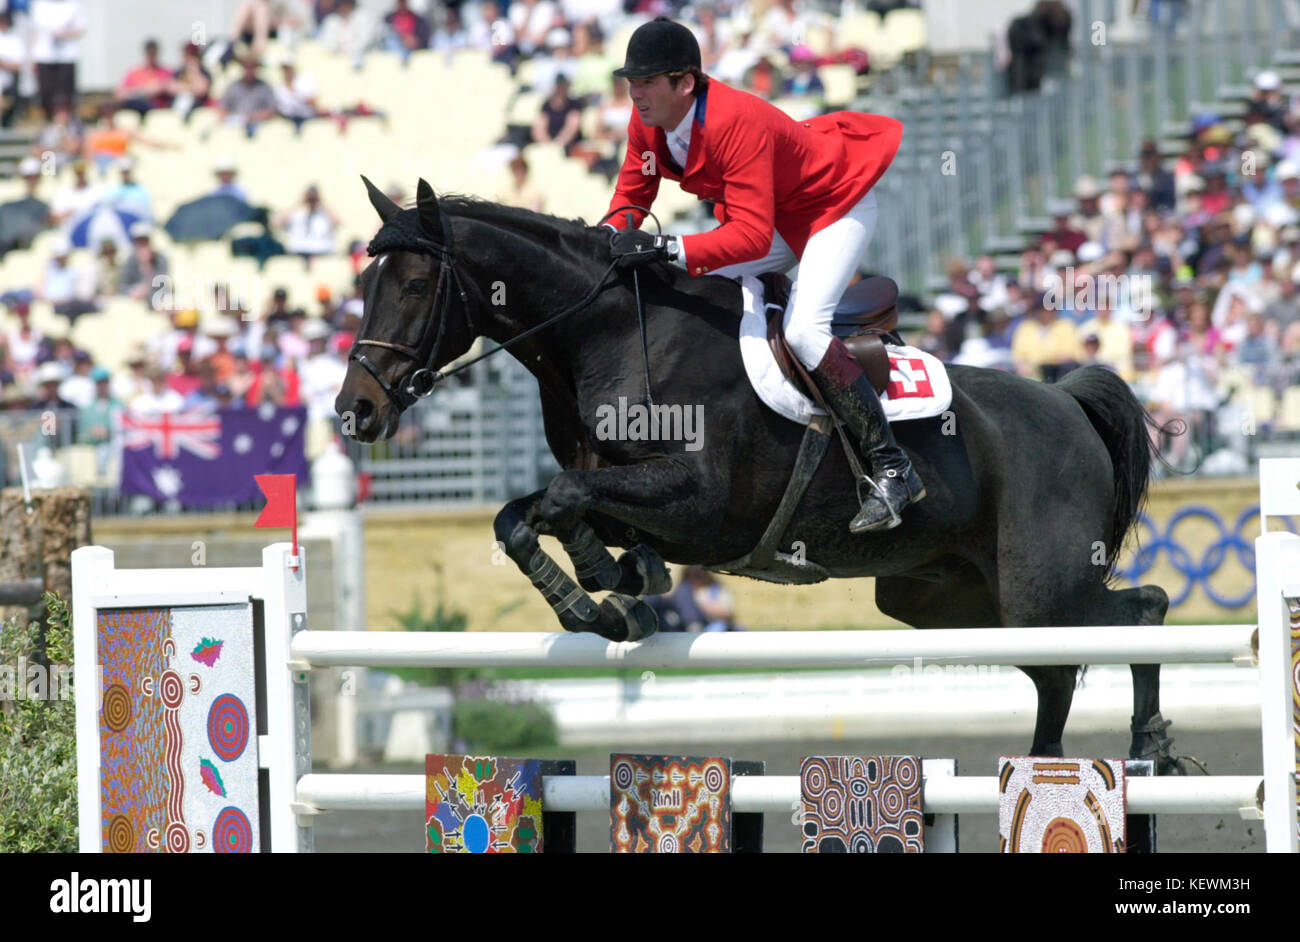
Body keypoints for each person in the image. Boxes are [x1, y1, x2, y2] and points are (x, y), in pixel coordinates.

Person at [603, 18, 913, 532]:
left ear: (684, 82)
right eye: (631, 82)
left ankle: (892, 468)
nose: (634, 94)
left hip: (835, 205)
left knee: (803, 330)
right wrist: (606, 244)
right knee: (683, 282)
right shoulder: (649, 121)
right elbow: (632, 199)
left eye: (646, 82)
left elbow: (747, 237)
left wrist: (664, 245)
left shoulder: (731, 120)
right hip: (776, 216)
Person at [30, 0, 86, 116]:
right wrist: (33, 57)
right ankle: (51, 120)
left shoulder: (73, 5)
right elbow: (35, 31)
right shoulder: (40, 5)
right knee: (46, 92)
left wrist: (64, 33)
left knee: (66, 93)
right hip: (44, 56)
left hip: (66, 56)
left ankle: (66, 121)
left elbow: (81, 28)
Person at [216, 56, 278, 137]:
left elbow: (271, 109)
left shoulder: (265, 87)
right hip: (235, 125)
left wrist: (253, 118)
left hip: (259, 125)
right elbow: (222, 108)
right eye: (247, 67)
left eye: (252, 67)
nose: (249, 70)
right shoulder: (233, 86)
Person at [276, 185, 338, 264]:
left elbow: (337, 223)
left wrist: (322, 204)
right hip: (299, 250)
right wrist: (299, 203)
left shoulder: (324, 214)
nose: (311, 201)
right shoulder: (298, 213)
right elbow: (278, 223)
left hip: (320, 250)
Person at [114, 39, 173, 116]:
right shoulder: (135, 73)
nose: (151, 56)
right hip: (137, 109)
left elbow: (169, 87)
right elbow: (119, 94)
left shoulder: (165, 72)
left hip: (157, 109)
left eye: (153, 53)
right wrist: (146, 90)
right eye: (149, 53)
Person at [168, 42, 213, 122]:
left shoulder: (204, 73)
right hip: (176, 105)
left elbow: (201, 90)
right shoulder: (179, 72)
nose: (187, 58)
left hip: (195, 109)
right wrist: (191, 88)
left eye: (191, 55)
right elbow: (171, 88)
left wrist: (194, 72)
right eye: (186, 55)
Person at [0, 11, 26, 128]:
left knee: (10, 101)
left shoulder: (15, 40)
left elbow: (18, 64)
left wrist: (4, 64)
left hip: (9, 80)